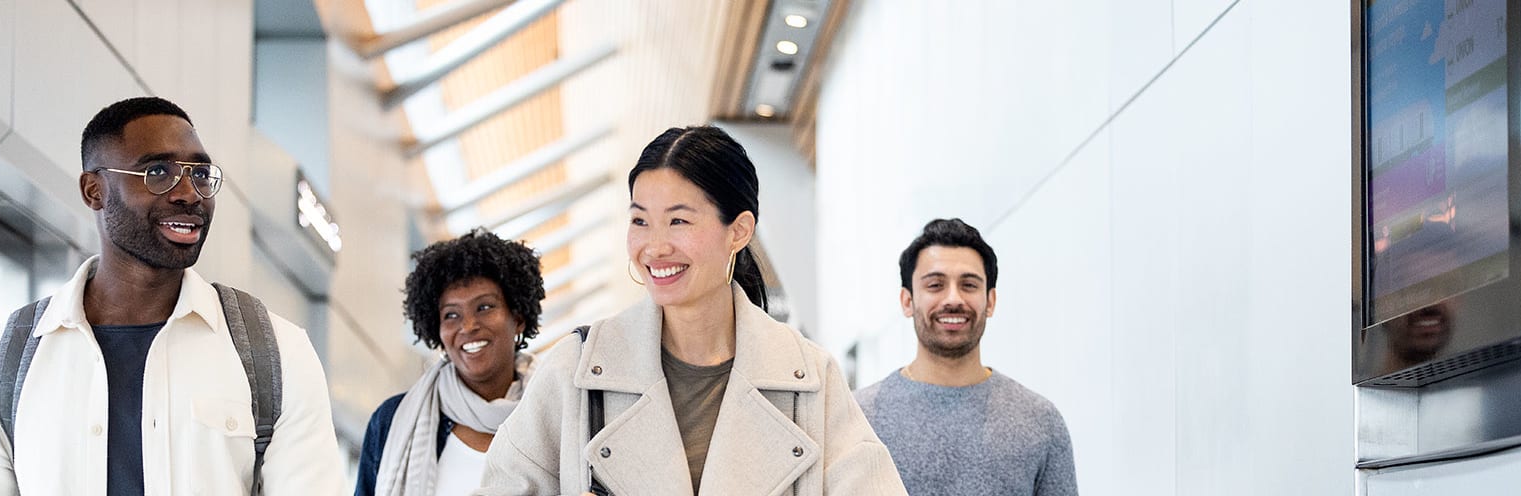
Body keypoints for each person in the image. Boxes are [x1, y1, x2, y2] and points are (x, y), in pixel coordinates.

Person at [0, 97, 345, 495]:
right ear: (94, 190)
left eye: (200, 174)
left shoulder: (277, 353)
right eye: (157, 171)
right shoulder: (3, 359)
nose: (189, 193)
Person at [477, 126, 906, 495]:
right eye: (640, 221)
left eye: (679, 221)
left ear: (738, 230)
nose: (655, 246)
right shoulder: (578, 369)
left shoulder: (808, 377)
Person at [854, 218, 1076, 496]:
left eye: (969, 285)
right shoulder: (858, 419)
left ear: (990, 301)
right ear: (907, 301)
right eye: (935, 285)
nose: (953, 299)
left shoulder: (1041, 421)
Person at [356, 229, 546, 496]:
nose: (468, 326)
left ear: (518, 318)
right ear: (437, 330)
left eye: (485, 307)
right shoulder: (391, 420)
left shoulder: (554, 412)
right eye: (451, 315)